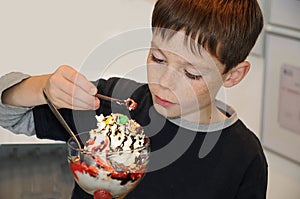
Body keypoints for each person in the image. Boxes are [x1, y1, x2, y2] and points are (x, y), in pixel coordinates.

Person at [0, 0, 267, 198]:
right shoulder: (113, 104)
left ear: (232, 75)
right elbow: (11, 114)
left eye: (191, 73)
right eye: (158, 58)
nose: (164, 82)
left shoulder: (243, 157)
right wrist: (43, 87)